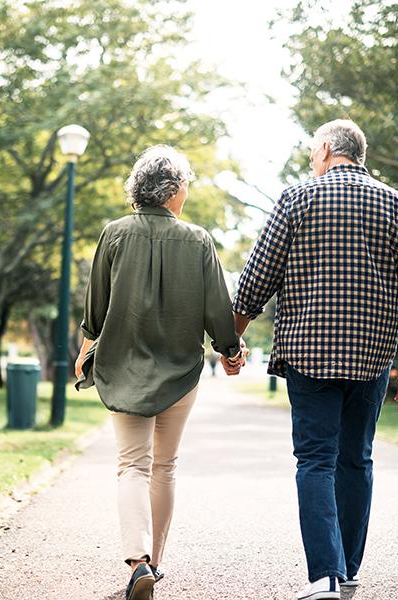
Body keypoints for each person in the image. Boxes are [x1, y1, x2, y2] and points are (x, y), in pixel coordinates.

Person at [229, 120, 398, 600]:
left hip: (310, 353)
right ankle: (348, 574)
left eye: (310, 151)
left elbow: (257, 278)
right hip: (371, 357)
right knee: (356, 459)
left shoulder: (297, 200)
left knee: (316, 460)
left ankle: (325, 576)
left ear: (325, 149)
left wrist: (231, 340)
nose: (310, 159)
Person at [75, 145, 244, 600]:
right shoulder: (199, 239)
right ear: (173, 190)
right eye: (186, 183)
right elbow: (216, 309)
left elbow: (96, 306)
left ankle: (138, 561)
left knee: (132, 465)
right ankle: (156, 563)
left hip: (123, 365)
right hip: (180, 372)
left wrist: (86, 346)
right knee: (164, 466)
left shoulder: (113, 234)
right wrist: (230, 350)